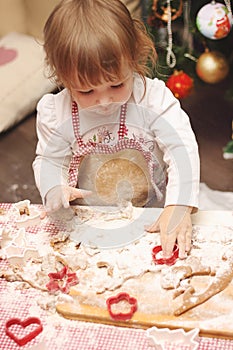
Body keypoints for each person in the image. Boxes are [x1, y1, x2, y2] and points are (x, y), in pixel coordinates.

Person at [33, 0, 200, 259]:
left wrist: (179, 205)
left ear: (133, 59)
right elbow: (48, 160)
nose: (103, 101)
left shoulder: (152, 99)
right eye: (86, 91)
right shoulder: (56, 112)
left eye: (116, 85)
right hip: (88, 218)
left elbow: (182, 147)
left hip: (152, 217)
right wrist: (54, 187)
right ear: (62, 77)